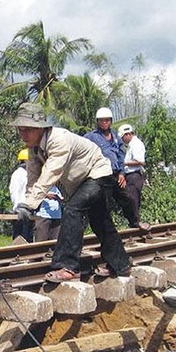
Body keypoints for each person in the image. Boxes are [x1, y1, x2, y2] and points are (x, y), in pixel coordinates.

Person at [11, 103, 130, 282]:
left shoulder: (58, 140)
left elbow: (51, 173)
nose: (23, 134)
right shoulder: (34, 149)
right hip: (82, 183)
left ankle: (68, 267)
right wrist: (27, 205)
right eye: (20, 130)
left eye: (27, 129)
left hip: (97, 174)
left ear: (39, 128)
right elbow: (33, 178)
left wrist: (31, 203)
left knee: (72, 211)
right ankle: (121, 265)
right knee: (101, 222)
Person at [83, 108, 136, 227]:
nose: (104, 122)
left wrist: (122, 173)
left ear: (111, 121)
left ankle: (134, 223)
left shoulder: (116, 138)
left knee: (127, 199)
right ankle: (105, 231)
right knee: (105, 204)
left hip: (116, 175)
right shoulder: (90, 137)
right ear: (98, 121)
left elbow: (121, 156)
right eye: (102, 120)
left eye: (107, 120)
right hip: (101, 175)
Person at [118, 123, 148, 229]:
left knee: (133, 199)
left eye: (122, 137)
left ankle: (136, 222)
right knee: (130, 198)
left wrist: (123, 162)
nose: (122, 140)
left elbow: (140, 161)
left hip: (134, 175)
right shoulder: (131, 145)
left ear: (128, 134)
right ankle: (133, 222)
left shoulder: (136, 144)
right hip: (130, 175)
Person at [9, 148, 34, 242]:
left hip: (27, 209)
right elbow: (15, 192)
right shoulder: (20, 174)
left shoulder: (26, 173)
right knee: (20, 236)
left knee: (27, 237)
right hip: (21, 209)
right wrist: (17, 207)